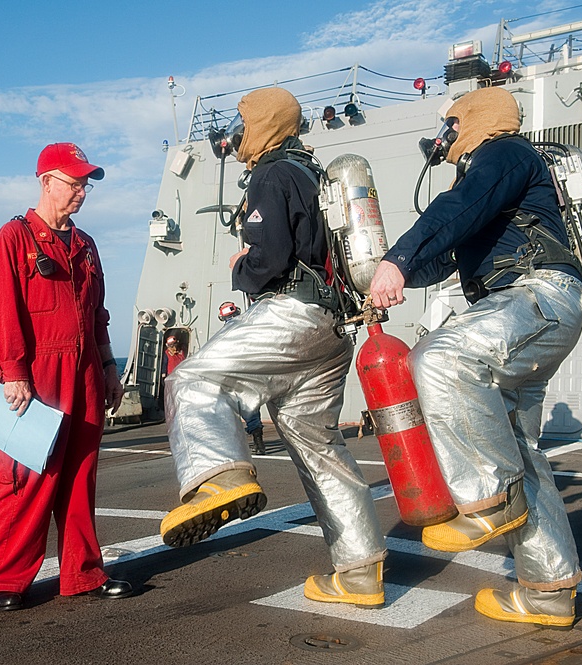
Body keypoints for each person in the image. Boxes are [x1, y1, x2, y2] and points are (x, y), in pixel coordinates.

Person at [160, 87, 388, 608]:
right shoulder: (312, 172)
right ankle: (359, 573)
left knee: (192, 380)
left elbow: (269, 259)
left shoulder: (271, 173)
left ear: (264, 124)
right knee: (319, 449)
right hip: (333, 329)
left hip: (293, 314)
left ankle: (221, 478)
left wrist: (242, 264)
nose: (237, 134)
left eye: (244, 122)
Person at [369, 86, 582, 628]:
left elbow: (454, 210)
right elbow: (446, 252)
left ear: (473, 121)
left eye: (450, 122)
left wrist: (396, 259)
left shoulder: (503, 153)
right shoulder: (491, 177)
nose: (442, 134)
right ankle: (548, 590)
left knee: (440, 358)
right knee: (520, 452)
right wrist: (392, 279)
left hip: (535, 296)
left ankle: (488, 500)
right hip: (522, 309)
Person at [0, 142, 130, 611]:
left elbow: (97, 314)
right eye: (73, 182)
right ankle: (4, 579)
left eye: (85, 183)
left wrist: (108, 367)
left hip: (85, 369)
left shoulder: (85, 246)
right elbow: (3, 311)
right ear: (46, 181)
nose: (81, 191)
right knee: (25, 475)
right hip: (39, 370)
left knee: (80, 475)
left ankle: (82, 572)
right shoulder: (15, 238)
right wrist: (12, 372)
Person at [218, 301, 266, 455]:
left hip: (232, 373)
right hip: (251, 373)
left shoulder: (223, 334)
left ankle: (232, 445)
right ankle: (259, 444)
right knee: (251, 407)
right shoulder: (249, 327)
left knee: (227, 407)